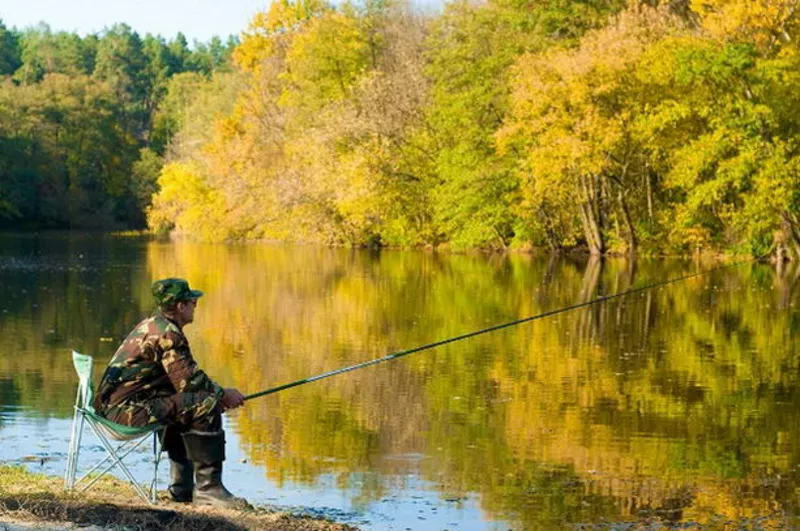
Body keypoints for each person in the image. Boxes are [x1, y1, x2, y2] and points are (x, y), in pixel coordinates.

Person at [94, 277, 249, 509]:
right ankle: (209, 490)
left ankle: (182, 487)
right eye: (191, 301)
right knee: (203, 403)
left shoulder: (152, 325)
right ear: (179, 306)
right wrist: (222, 395)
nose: (195, 304)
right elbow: (191, 381)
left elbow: (179, 382)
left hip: (112, 411)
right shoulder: (168, 334)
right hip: (124, 414)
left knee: (183, 403)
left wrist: (215, 395)